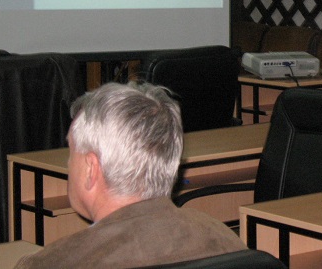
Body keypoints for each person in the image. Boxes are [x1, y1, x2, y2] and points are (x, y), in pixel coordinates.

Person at [15, 82, 246, 269]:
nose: (69, 164)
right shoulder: (226, 242)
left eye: (71, 153)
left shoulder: (53, 263)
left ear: (91, 169)